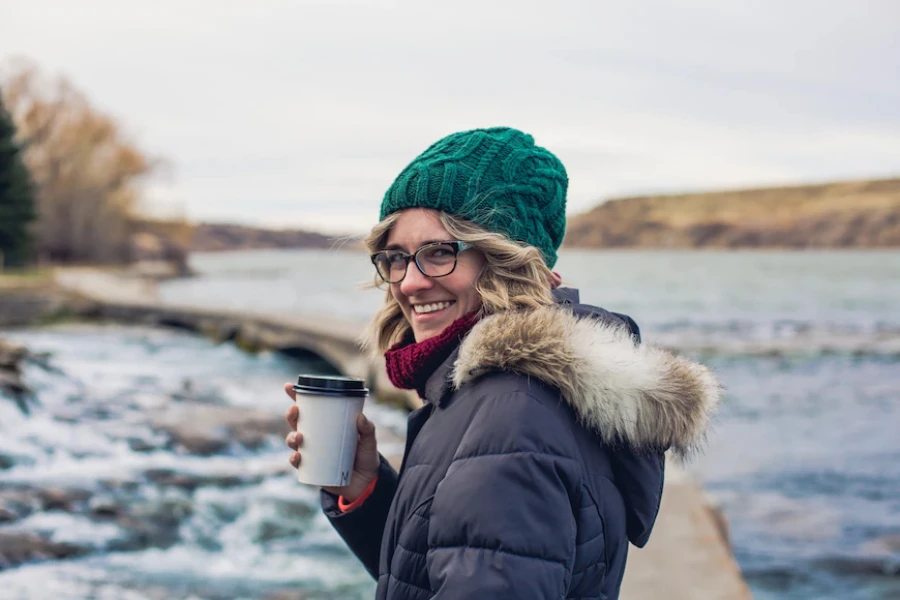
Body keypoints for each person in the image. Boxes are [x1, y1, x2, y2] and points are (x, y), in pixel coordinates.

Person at [283, 127, 721, 599]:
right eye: (396, 258)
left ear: (506, 261)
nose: (409, 283)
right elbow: (439, 565)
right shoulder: (494, 394)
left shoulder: (512, 414)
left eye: (438, 253)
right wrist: (366, 489)